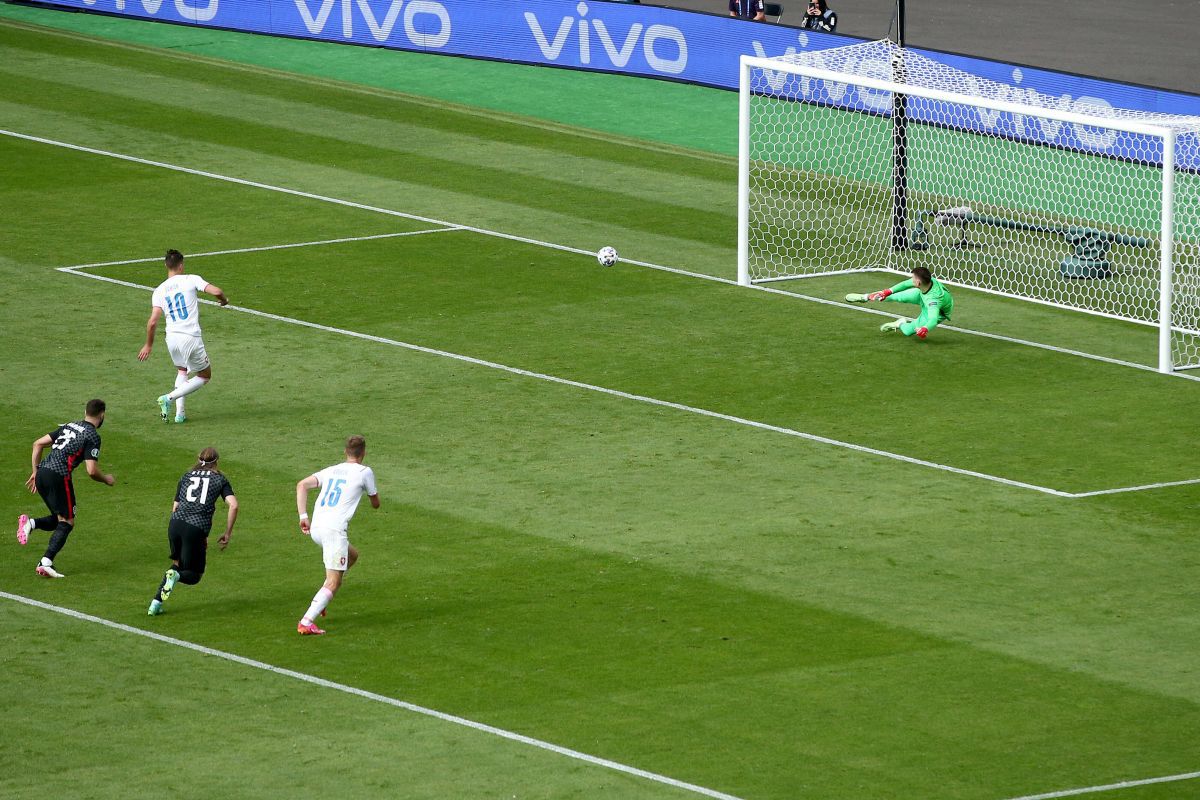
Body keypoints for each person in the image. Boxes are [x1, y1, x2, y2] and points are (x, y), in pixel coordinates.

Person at [17, 399, 115, 578]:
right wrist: (106, 479)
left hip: (42, 473)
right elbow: (92, 471)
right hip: (59, 475)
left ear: (85, 411)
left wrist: (35, 471)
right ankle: (45, 562)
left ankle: (30, 524)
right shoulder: (92, 436)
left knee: (59, 517)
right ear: (102, 415)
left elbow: (37, 444)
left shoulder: (69, 425)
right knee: (67, 521)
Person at [294, 436, 380, 635]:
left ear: (345, 452)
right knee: (334, 582)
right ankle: (306, 621)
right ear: (364, 453)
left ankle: (323, 597)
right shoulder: (365, 471)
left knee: (352, 556)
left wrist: (303, 516)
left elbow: (302, 485)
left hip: (316, 528)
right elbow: (376, 504)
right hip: (333, 531)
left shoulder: (331, 470)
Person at [138, 249, 228, 424]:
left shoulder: (159, 290)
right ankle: (168, 398)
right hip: (190, 337)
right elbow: (217, 291)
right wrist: (223, 300)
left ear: (166, 265)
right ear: (181, 265)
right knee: (204, 375)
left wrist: (148, 345)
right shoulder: (191, 279)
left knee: (182, 370)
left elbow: (152, 322)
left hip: (171, 339)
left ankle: (180, 414)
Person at [148, 447, 238, 616]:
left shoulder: (186, 476)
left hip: (175, 524)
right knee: (194, 575)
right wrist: (228, 532)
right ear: (216, 462)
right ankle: (176, 578)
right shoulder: (219, 479)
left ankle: (155, 604)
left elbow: (175, 506)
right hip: (195, 527)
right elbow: (234, 505)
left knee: (177, 565)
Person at [846, 266, 954, 339]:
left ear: (918, 282)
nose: (911, 280)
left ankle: (900, 323)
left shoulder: (933, 301)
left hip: (938, 311)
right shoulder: (926, 281)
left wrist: (925, 329)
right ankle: (866, 297)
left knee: (907, 332)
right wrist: (887, 292)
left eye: (913, 278)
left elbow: (933, 319)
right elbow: (904, 285)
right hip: (921, 294)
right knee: (892, 296)